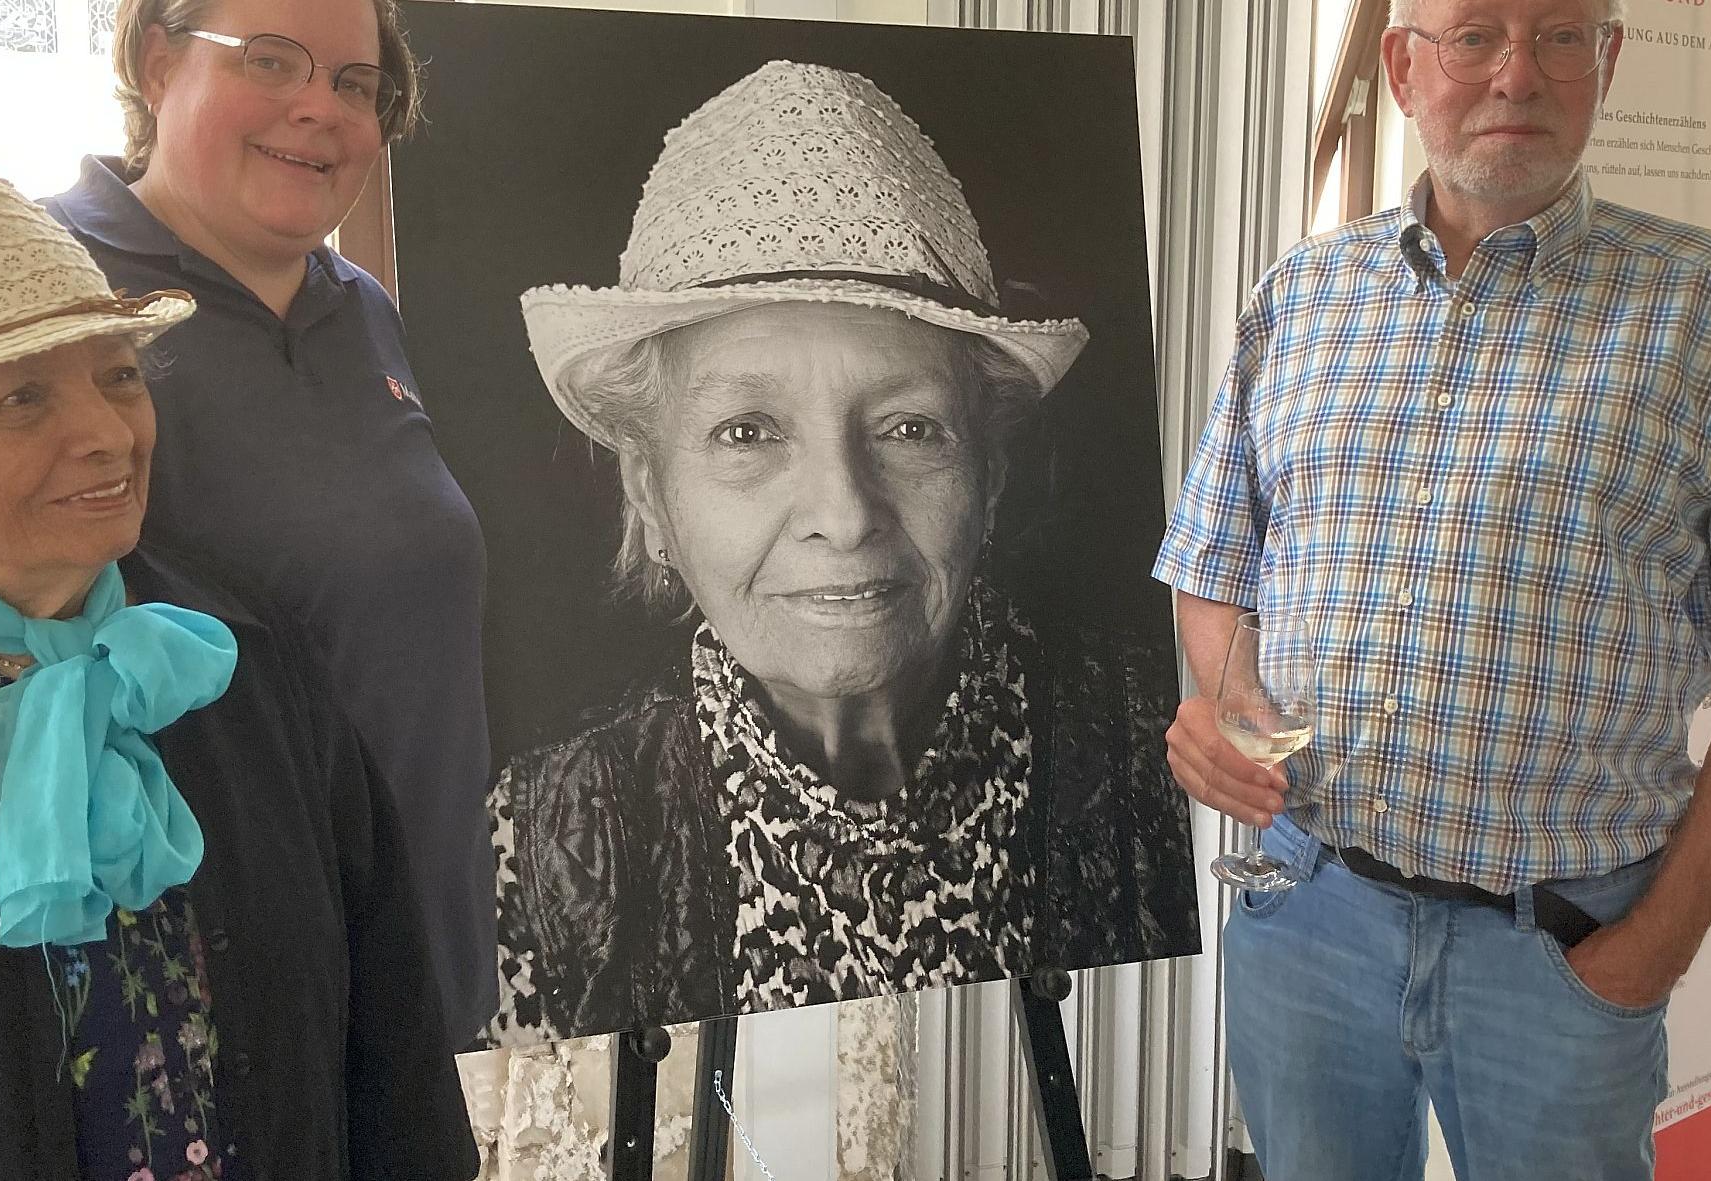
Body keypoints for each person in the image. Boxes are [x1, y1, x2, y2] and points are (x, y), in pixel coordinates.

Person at [1152, 0, 1711, 1175]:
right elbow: (1209, 560)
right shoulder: (1302, 294)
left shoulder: (1709, 308)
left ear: (1606, 61)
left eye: (1560, 35)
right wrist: (1223, 700)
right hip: (1305, 915)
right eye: (1474, 37)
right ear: (1403, 68)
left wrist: (1662, 933)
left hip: (1561, 946)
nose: (1519, 74)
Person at [0, 169, 474, 1180]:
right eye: (24, 396)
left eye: (117, 373)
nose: (107, 432)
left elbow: (387, 1032)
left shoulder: (240, 666)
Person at [0, 0, 497, 1046]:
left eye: (357, 84)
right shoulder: (30, 300)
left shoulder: (363, 306)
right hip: (178, 990)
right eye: (272, 62)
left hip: (406, 955)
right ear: (154, 58)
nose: (321, 109)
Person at [481, 61, 1196, 1042]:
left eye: (908, 427)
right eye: (747, 430)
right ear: (649, 493)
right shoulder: (541, 832)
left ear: (987, 475)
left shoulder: (1154, 753)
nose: (845, 514)